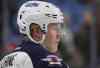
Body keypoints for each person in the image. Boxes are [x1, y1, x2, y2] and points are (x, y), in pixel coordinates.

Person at [0, 1, 69, 68]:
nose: (59, 35)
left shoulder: (5, 60)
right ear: (36, 31)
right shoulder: (48, 61)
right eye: (55, 28)